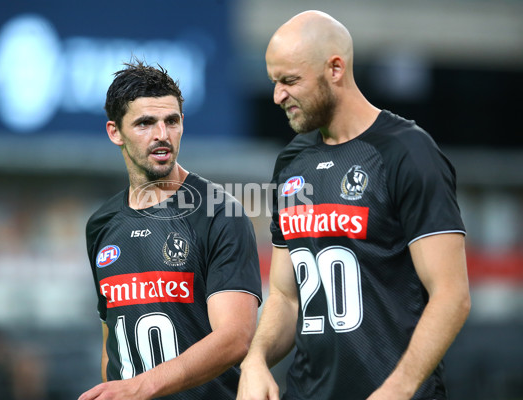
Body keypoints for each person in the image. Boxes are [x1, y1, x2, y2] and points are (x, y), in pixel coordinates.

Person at [237, 10, 471, 400]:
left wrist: (398, 388)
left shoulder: (408, 153)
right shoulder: (291, 162)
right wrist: (256, 359)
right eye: (274, 82)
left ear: (335, 69)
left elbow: (452, 295)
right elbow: (286, 296)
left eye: (290, 80)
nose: (278, 95)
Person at [79, 60, 262, 400]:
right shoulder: (101, 225)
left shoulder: (219, 213)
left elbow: (235, 337)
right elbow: (113, 340)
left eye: (171, 121)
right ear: (114, 132)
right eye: (145, 123)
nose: (161, 135)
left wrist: (141, 387)